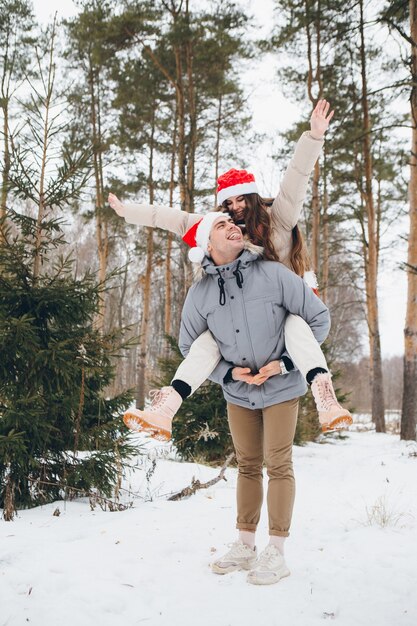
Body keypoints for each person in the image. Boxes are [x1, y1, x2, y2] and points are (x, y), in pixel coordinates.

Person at [108, 99, 352, 440]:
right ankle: (166, 406)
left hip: (279, 310)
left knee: (298, 325)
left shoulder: (278, 220)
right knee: (206, 342)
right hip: (240, 317)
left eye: (241, 200)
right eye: (228, 203)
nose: (235, 209)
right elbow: (168, 217)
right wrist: (126, 212)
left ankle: (324, 394)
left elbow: (296, 179)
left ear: (252, 198)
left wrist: (313, 137)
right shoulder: (216, 227)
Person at [178, 210, 330, 584]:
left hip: (282, 388)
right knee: (247, 465)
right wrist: (227, 374)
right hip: (239, 393)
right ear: (206, 244)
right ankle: (245, 545)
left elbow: (319, 319)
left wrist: (285, 364)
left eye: (234, 224)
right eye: (221, 225)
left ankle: (275, 553)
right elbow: (189, 345)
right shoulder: (199, 294)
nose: (233, 226)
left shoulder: (273, 273)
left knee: (278, 464)